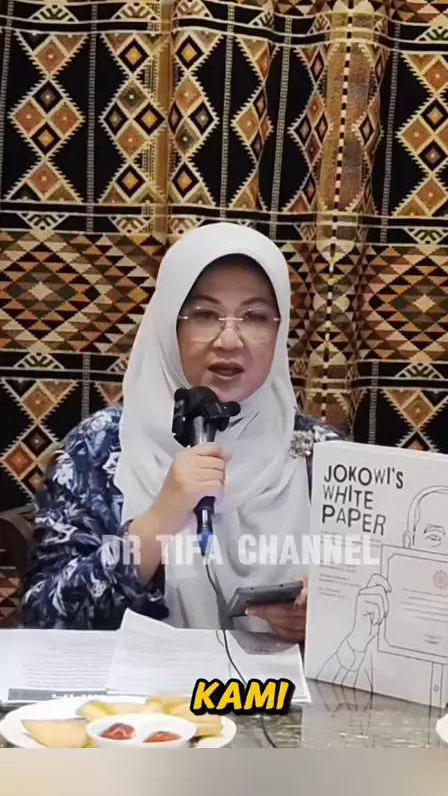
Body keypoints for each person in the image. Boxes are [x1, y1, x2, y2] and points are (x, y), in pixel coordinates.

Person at [21, 222, 342, 639]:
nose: (230, 340)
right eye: (205, 315)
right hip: (140, 682)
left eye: (255, 317)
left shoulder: (323, 456)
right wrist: (159, 519)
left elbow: (385, 605)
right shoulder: (100, 448)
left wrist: (326, 616)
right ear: (169, 325)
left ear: (279, 333)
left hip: (281, 681)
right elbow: (45, 618)